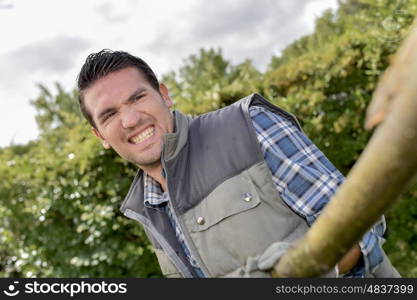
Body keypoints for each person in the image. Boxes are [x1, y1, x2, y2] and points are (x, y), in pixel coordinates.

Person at [76, 49, 400, 278]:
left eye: (137, 98)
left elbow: (361, 230)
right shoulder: (145, 208)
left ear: (164, 94)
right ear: (99, 134)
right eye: (109, 114)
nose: (130, 119)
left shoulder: (249, 126)